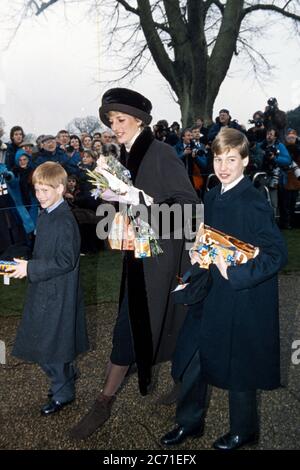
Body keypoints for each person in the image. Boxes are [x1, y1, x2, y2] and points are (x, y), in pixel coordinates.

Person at [69, 87, 199, 439]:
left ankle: (108, 400)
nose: (115, 126)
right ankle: (166, 385)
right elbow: (120, 210)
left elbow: (188, 209)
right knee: (144, 327)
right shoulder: (122, 158)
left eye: (121, 120)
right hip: (137, 258)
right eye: (112, 121)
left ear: (140, 120)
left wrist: (135, 197)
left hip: (164, 260)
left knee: (163, 325)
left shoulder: (161, 152)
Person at [161, 128, 288, 450]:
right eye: (219, 159)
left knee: (239, 366)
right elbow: (213, 238)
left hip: (240, 297)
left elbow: (276, 254)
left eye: (232, 159)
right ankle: (189, 422)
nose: (223, 166)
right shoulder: (214, 194)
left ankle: (244, 430)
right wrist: (198, 251)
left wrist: (235, 272)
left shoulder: (253, 200)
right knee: (191, 358)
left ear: (244, 161)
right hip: (211, 293)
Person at [9, 162, 89, 415]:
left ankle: (63, 391)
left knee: (49, 345)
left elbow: (66, 260)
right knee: (49, 341)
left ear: (61, 189)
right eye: (37, 190)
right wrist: (27, 263)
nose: (40, 195)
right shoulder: (47, 213)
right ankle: (66, 373)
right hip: (46, 289)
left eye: (45, 190)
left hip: (57, 292)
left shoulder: (64, 220)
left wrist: (31, 269)